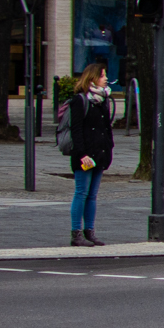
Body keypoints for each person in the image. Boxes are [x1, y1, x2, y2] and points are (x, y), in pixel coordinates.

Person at [62, 59, 114, 247]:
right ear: (92, 78)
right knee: (81, 192)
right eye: (102, 75)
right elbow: (76, 129)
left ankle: (89, 231)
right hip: (84, 155)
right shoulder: (80, 100)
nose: (106, 78)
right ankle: (76, 233)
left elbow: (106, 128)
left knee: (92, 195)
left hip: (99, 153)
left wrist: (109, 147)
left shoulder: (103, 100)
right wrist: (82, 153)